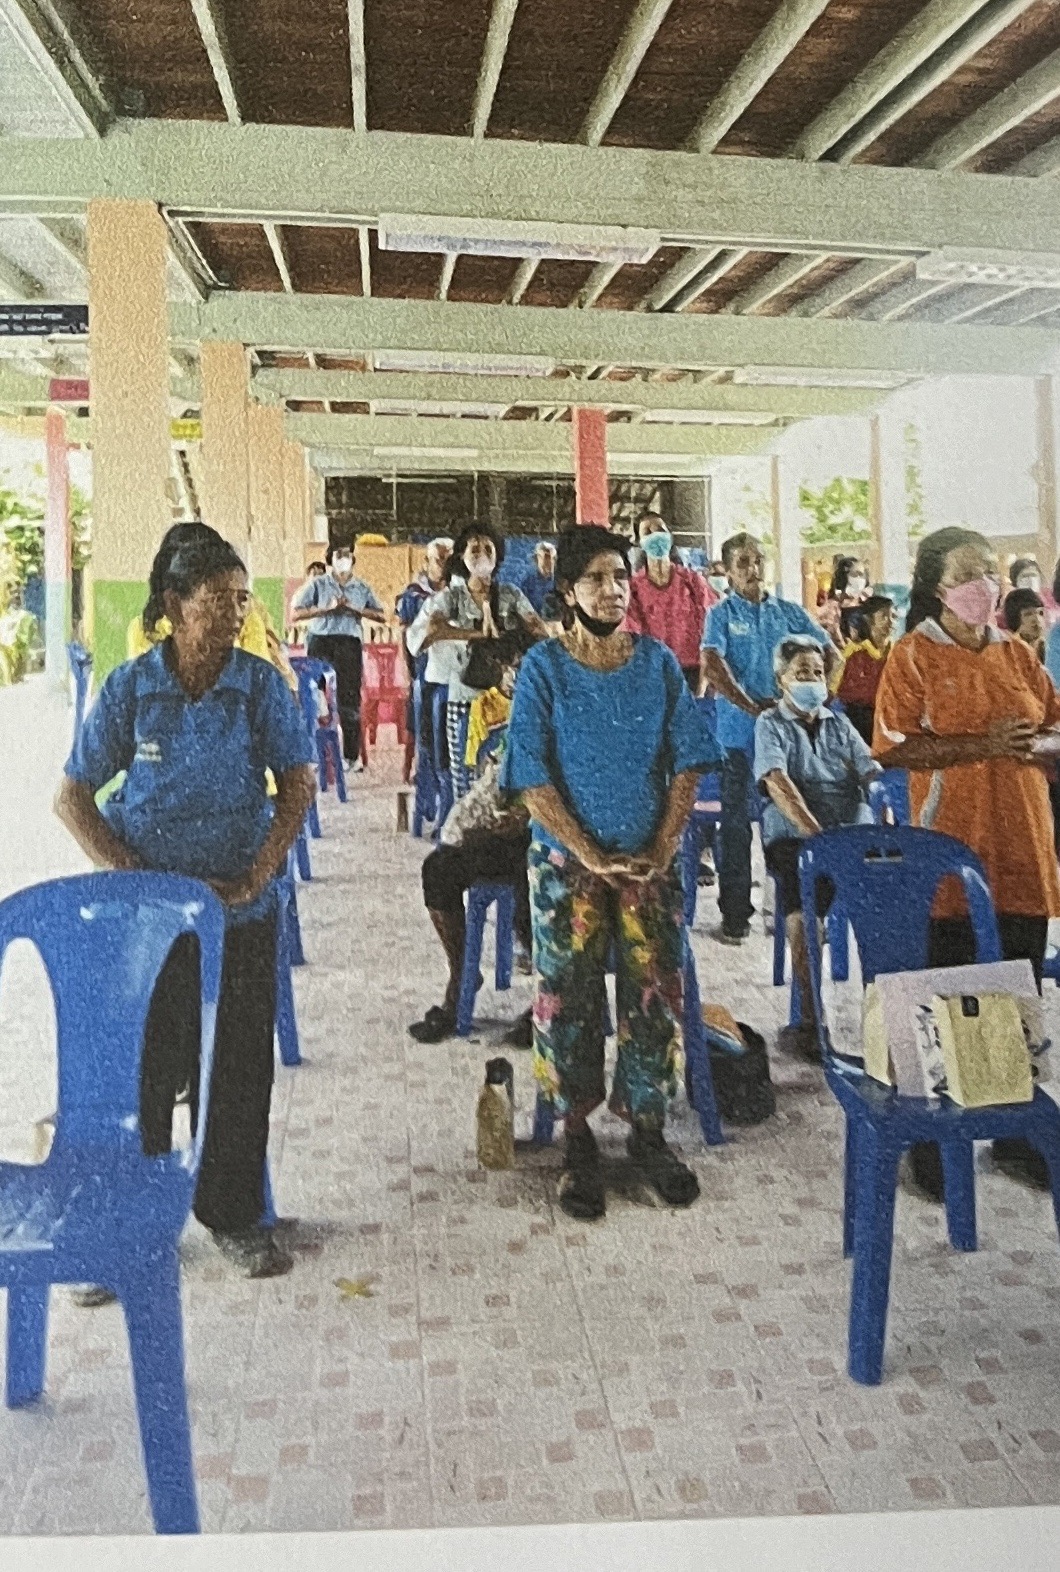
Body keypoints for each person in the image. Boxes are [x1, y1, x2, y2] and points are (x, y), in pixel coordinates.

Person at [55, 529, 318, 1279]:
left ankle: (231, 1215)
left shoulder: (258, 686)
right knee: (144, 1070)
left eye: (243, 600)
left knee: (236, 1065)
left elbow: (296, 785)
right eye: (219, 600)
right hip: (146, 924)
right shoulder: (133, 690)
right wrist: (133, 874)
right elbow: (73, 799)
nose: (236, 614)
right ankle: (130, 1224)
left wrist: (257, 876)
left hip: (237, 915)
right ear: (174, 605)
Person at [500, 525, 719, 1222]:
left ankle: (649, 1134)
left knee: (653, 993)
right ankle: (578, 1140)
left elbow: (688, 759)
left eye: (620, 576)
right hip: (568, 866)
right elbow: (529, 775)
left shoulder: (656, 664)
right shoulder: (544, 669)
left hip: (648, 864)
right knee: (567, 996)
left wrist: (663, 844)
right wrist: (590, 854)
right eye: (595, 578)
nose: (612, 588)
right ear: (566, 591)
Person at [873, 525, 1060, 1199]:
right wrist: (981, 743)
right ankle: (930, 1149)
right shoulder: (914, 655)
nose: (989, 585)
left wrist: (1039, 745)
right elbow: (892, 747)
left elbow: (1052, 725)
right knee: (943, 998)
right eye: (971, 573)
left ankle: (1013, 1136)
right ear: (937, 587)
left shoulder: (1019, 653)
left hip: (1023, 851)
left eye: (993, 571)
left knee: (1017, 993)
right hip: (949, 854)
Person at [700, 532, 834, 946]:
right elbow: (712, 665)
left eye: (758, 560)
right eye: (743, 562)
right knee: (736, 828)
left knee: (795, 822)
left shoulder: (788, 613)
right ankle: (736, 916)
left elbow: (832, 653)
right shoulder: (720, 615)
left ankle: (800, 911)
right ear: (727, 570)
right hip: (737, 740)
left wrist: (808, 703)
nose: (753, 569)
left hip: (786, 741)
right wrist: (752, 707)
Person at [756, 636, 881, 1060]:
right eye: (801, 673)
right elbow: (777, 781)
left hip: (848, 830)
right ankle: (811, 1020)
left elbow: (869, 768)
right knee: (802, 907)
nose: (811, 679)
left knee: (890, 895)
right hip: (794, 834)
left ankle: (890, 1011)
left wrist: (880, 796)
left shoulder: (839, 723)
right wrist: (816, 832)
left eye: (817, 672)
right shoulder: (770, 723)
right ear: (782, 680)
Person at [408, 727, 533, 1046]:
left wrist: (529, 818)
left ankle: (552, 1002)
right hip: (516, 829)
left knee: (532, 891)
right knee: (438, 869)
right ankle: (462, 975)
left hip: (554, 836)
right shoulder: (527, 710)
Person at [419, 522, 546, 802]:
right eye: (473, 548)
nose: (481, 554)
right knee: (464, 776)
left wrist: (506, 639)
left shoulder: (511, 594)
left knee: (508, 772)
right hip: (464, 697)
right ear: (462, 556)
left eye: (488, 548)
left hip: (506, 698)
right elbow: (432, 630)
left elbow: (538, 630)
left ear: (498, 556)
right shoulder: (452, 596)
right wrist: (479, 634)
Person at [289, 541, 386, 769]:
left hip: (349, 643)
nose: (343, 559)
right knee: (316, 698)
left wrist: (356, 609)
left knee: (349, 699)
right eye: (338, 555)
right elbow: (295, 613)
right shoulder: (318, 584)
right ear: (330, 559)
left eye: (347, 555)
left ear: (353, 559)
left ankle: (350, 757)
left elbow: (381, 614)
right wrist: (326, 609)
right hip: (321, 641)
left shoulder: (361, 587)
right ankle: (315, 755)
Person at [623, 511, 710, 691]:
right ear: (640, 543)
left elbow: (709, 633)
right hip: (654, 675)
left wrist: (702, 687)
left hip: (694, 675)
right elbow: (636, 642)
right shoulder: (633, 590)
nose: (656, 535)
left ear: (669, 536)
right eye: (647, 532)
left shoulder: (693, 582)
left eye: (660, 530)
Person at [831, 595, 897, 746]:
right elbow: (834, 689)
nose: (891, 622)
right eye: (884, 616)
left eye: (893, 616)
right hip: (858, 719)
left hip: (889, 717)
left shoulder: (897, 654)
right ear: (868, 620)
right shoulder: (854, 653)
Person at [817, 556, 871, 651]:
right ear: (844, 577)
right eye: (855, 575)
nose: (859, 579)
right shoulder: (832, 607)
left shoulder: (868, 604)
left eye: (862, 575)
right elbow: (833, 638)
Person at [1003, 587, 1046, 662]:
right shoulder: (1007, 654)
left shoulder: (1050, 648)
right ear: (1014, 618)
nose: (1037, 619)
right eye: (1028, 614)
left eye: (1040, 613)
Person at [518, 541, 557, 617]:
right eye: (544, 557)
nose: (548, 561)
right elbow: (522, 608)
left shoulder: (559, 583)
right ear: (536, 559)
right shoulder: (528, 583)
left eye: (551, 558)